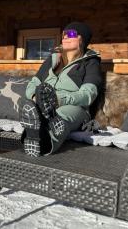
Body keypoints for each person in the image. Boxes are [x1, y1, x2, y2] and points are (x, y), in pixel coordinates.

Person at [19, 22, 102, 157]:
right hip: (44, 104)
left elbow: (88, 95)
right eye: (64, 34)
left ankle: (43, 142)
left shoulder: (90, 62)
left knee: (63, 113)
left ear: (82, 39)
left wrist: (58, 99)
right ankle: (35, 134)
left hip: (76, 108)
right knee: (31, 106)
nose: (65, 37)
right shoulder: (52, 59)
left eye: (71, 34)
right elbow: (33, 84)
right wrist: (36, 98)